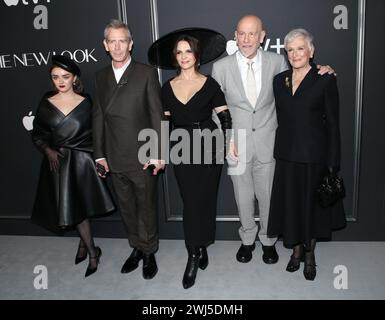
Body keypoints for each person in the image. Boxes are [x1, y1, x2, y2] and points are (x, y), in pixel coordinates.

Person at [212, 15, 335, 265]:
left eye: (252, 34)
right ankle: (247, 240)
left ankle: (268, 241)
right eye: (242, 34)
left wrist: (325, 68)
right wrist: (227, 140)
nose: (246, 39)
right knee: (242, 198)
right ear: (235, 36)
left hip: (270, 143)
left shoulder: (277, 62)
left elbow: (299, 86)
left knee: (269, 197)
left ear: (262, 36)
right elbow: (216, 108)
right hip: (236, 144)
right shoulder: (220, 67)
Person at [148, 29, 231, 289]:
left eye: (188, 51)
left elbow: (225, 116)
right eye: (179, 52)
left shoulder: (210, 84)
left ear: (196, 56)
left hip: (209, 144)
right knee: (191, 201)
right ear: (176, 57)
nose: (184, 56)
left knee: (206, 200)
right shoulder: (167, 87)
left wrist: (230, 143)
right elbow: (163, 124)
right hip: (182, 147)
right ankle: (193, 252)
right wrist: (158, 153)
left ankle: (201, 245)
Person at [267, 28, 346, 280]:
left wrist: (333, 162)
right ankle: (296, 250)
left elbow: (333, 124)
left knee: (311, 208)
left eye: (300, 48)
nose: (295, 54)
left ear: (311, 51)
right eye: (290, 50)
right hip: (287, 155)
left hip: (314, 155)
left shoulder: (325, 79)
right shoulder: (279, 81)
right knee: (291, 206)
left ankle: (310, 254)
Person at [93, 19, 164, 280]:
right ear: (105, 45)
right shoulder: (100, 77)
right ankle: (136, 247)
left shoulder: (146, 73)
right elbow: (98, 116)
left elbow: (158, 116)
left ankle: (149, 252)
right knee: (126, 207)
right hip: (114, 155)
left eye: (123, 40)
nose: (118, 46)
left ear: (131, 44)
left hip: (143, 155)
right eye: (113, 41)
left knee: (146, 207)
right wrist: (99, 154)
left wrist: (159, 152)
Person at [31, 55, 115, 277]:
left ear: (74, 78)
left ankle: (92, 253)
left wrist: (99, 159)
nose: (60, 81)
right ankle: (89, 248)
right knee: (74, 208)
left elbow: (98, 135)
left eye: (65, 77)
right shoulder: (45, 102)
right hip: (59, 164)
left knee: (78, 209)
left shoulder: (87, 102)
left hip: (83, 162)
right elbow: (38, 134)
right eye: (55, 77)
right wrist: (48, 151)